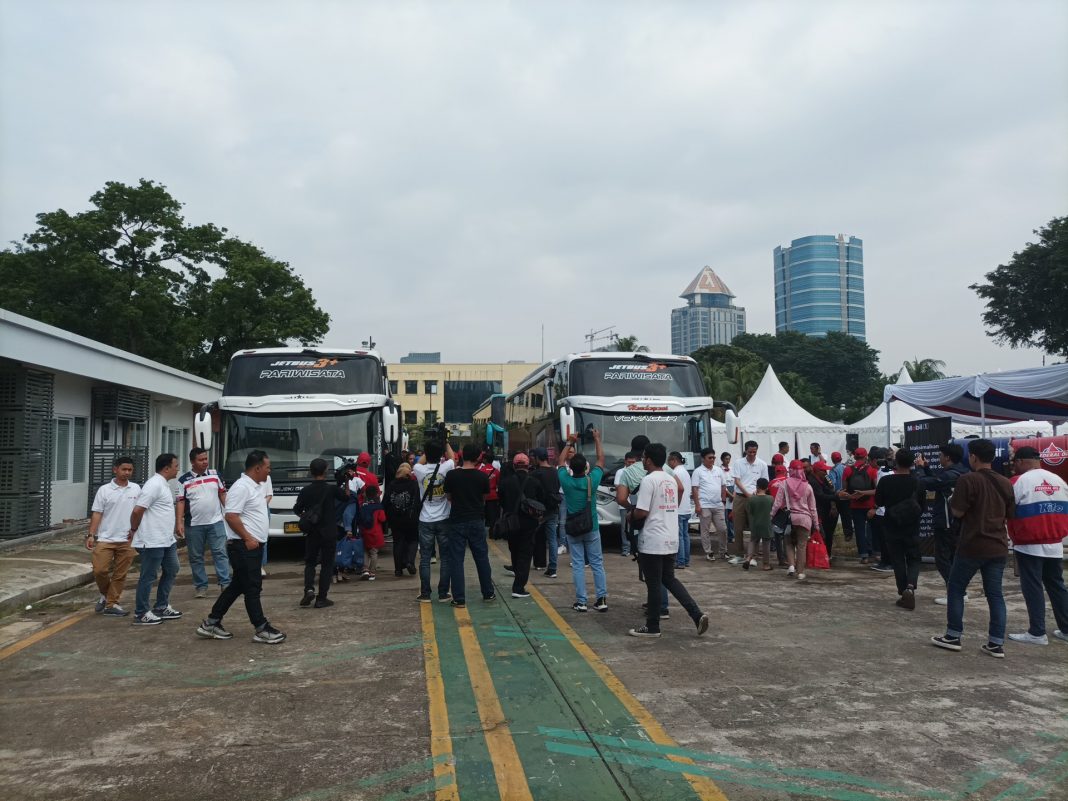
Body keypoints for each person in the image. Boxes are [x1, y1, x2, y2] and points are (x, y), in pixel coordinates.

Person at [930, 439, 1015, 658]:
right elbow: (1010, 514)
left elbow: (957, 511)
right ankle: (996, 643)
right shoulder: (1005, 482)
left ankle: (953, 635)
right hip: (998, 546)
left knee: (956, 589)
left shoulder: (968, 480)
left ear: (974, 457)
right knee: (995, 594)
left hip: (972, 545)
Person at [197, 450, 286, 644]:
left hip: (252, 546)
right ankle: (261, 628)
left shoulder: (256, 486)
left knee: (238, 586)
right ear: (257, 468)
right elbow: (231, 516)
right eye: (267, 467)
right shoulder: (241, 487)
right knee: (252, 587)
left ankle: (211, 622)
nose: (269, 471)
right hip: (244, 546)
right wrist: (248, 538)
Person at [628, 443, 710, 639]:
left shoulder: (648, 480)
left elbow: (642, 511)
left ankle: (652, 626)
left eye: (643, 458)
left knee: (654, 583)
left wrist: (630, 516)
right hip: (671, 537)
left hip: (653, 539)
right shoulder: (671, 479)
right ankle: (696, 614)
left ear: (648, 460)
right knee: (669, 579)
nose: (642, 461)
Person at [1006, 446, 1068, 646]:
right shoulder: (1058, 480)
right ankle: (1066, 629)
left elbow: (1008, 509)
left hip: (1028, 545)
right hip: (1055, 543)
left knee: (1032, 587)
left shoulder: (1019, 481)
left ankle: (1037, 632)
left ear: (1021, 461)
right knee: (1057, 586)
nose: (1014, 467)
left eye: (1015, 463)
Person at [129, 453, 182, 626]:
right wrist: (134, 529)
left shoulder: (163, 484)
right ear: (166, 468)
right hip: (152, 540)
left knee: (172, 568)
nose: (178, 469)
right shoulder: (153, 485)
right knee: (149, 576)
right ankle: (141, 613)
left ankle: (161, 606)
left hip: (166, 539)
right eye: (176, 466)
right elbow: (137, 511)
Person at [558, 429, 608, 612]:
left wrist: (569, 442)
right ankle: (601, 600)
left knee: (578, 565)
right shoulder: (592, 481)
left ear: (571, 468)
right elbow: (601, 460)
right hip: (591, 527)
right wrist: (597, 438)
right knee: (597, 563)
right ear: (586, 467)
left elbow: (560, 462)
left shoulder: (566, 481)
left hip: (573, 529)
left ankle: (581, 601)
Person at [915, 444, 970, 605]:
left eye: (940, 455)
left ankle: (957, 593)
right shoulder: (962, 472)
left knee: (942, 559)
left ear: (947, 457)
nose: (939, 457)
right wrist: (926, 468)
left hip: (946, 522)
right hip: (958, 522)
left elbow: (923, 483)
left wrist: (919, 469)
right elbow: (937, 482)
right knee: (952, 558)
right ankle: (959, 592)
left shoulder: (950, 475)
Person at [85, 456, 140, 617]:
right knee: (100, 570)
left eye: (130, 470)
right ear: (115, 469)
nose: (127, 473)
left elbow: (140, 512)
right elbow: (97, 513)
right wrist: (91, 535)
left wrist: (137, 531)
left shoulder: (136, 489)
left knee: (120, 574)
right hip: (106, 538)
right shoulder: (104, 490)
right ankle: (106, 595)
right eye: (124, 469)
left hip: (127, 539)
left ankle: (112, 604)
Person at [443, 444, 495, 607]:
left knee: (456, 559)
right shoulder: (482, 477)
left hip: (457, 519)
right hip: (477, 520)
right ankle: (488, 592)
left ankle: (459, 598)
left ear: (462, 455)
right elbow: (484, 497)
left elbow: (448, 496)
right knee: (481, 557)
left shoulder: (452, 475)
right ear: (478, 457)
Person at [293, 458, 348, 608]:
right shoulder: (331, 489)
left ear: (311, 472)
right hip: (329, 532)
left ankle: (309, 589)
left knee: (310, 562)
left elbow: (297, 509)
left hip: (312, 531)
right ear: (325, 471)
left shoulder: (305, 491)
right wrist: (346, 481)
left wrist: (308, 516)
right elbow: (346, 497)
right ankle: (322, 598)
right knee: (327, 564)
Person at [176, 447, 230, 598]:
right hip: (193, 525)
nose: (205, 462)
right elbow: (180, 502)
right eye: (201, 460)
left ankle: (225, 583)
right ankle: (201, 586)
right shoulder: (183, 480)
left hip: (216, 522)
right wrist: (179, 522)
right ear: (192, 462)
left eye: (206, 459)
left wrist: (230, 513)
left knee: (220, 553)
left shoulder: (215, 475)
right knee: (196, 557)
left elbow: (222, 494)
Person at [875, 449, 926, 609]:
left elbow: (879, 502)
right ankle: (910, 587)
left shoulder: (886, 481)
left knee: (897, 559)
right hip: (912, 526)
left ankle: (903, 591)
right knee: (914, 558)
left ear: (896, 462)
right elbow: (922, 505)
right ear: (912, 463)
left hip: (892, 525)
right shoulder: (917, 481)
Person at [498, 451, 548, 598]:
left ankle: (516, 576)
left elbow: (501, 501)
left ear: (514, 466)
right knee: (525, 555)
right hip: (529, 523)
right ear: (528, 466)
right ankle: (518, 587)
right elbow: (542, 501)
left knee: (514, 550)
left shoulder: (506, 482)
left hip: (511, 522)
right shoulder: (534, 482)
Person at [414, 440, 456, 603]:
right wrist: (445, 442)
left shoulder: (419, 470)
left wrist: (429, 449)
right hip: (444, 518)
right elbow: (453, 458)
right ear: (440, 455)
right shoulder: (446, 468)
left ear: (426, 453)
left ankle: (425, 593)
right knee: (445, 557)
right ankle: (443, 593)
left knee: (425, 558)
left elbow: (420, 462)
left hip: (425, 519)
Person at [770, 460, 819, 580]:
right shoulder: (808, 487)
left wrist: (771, 515)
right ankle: (800, 572)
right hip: (805, 520)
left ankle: (791, 565)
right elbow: (813, 508)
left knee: (788, 543)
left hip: (789, 519)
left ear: (790, 470)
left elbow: (777, 503)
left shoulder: (784, 484)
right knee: (802, 546)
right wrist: (816, 524)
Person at [731, 441, 769, 566]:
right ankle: (738, 554)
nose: (752, 454)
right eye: (750, 452)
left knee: (754, 527)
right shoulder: (738, 463)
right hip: (740, 497)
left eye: (754, 452)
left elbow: (765, 482)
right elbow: (737, 481)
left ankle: (752, 556)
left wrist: (757, 494)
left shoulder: (762, 464)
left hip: (755, 497)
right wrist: (747, 494)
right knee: (738, 527)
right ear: (745, 451)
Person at [839, 448, 879, 563]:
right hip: (870, 505)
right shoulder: (872, 470)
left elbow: (844, 489)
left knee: (859, 530)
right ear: (866, 457)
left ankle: (864, 555)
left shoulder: (847, 470)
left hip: (855, 504)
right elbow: (877, 489)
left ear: (855, 457)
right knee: (874, 529)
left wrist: (851, 496)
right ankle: (877, 553)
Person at [529, 447, 562, 576]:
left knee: (529, 537)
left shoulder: (535, 474)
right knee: (552, 540)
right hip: (553, 509)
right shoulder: (555, 472)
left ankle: (521, 565)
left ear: (537, 458)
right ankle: (552, 568)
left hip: (538, 511)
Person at [384, 463, 420, 577]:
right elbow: (416, 501)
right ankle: (410, 561)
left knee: (398, 542)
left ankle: (398, 569)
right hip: (410, 519)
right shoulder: (413, 484)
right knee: (413, 540)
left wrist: (388, 517)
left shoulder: (391, 485)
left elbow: (385, 502)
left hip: (395, 519)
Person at [691, 447, 727, 562]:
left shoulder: (718, 470)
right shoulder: (698, 471)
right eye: (710, 458)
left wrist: (723, 501)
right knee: (705, 530)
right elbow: (695, 489)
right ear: (703, 459)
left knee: (722, 529)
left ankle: (723, 551)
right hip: (704, 505)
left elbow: (723, 486)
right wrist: (697, 505)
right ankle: (709, 552)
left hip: (718, 505)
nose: (712, 460)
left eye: (713, 458)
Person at [667, 452, 693, 569]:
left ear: (674, 460)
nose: (668, 464)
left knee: (679, 536)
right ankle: (686, 560)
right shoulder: (685, 472)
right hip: (686, 508)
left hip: (679, 509)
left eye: (669, 461)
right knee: (685, 535)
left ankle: (680, 561)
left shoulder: (675, 473)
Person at [742, 478, 774, 570]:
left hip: (755, 523)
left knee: (753, 541)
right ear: (767, 488)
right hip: (766, 524)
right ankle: (766, 564)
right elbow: (773, 510)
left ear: (757, 487)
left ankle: (748, 558)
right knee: (766, 543)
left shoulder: (752, 499)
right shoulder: (770, 499)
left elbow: (749, 511)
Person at [359, 485, 386, 581]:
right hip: (375, 533)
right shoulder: (378, 507)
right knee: (374, 553)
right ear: (376, 494)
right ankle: (372, 572)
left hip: (365, 532)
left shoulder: (363, 506)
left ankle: (365, 569)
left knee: (365, 551)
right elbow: (382, 519)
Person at [615, 452, 639, 557]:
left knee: (637, 526)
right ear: (625, 461)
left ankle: (636, 548)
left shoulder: (638, 471)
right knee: (625, 527)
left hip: (637, 503)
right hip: (624, 504)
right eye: (629, 462)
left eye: (633, 462)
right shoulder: (620, 472)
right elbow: (617, 487)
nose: (631, 464)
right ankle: (626, 548)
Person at [828, 451, 852, 543]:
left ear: (832, 460)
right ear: (841, 458)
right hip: (847, 495)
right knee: (846, 516)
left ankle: (831, 533)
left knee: (834, 516)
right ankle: (848, 534)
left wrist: (834, 493)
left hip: (837, 496)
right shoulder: (846, 467)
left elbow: (832, 485)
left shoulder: (833, 470)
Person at [477, 449, 501, 532]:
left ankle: (481, 532)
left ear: (485, 460)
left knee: (481, 516)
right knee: (492, 517)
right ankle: (491, 533)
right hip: (493, 496)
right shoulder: (496, 471)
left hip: (482, 497)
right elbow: (498, 484)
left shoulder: (481, 471)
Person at [259, 473, 273, 577]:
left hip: (263, 508)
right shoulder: (244, 478)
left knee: (263, 538)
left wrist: (261, 505)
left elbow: (269, 495)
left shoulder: (267, 477)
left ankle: (261, 566)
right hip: (249, 509)